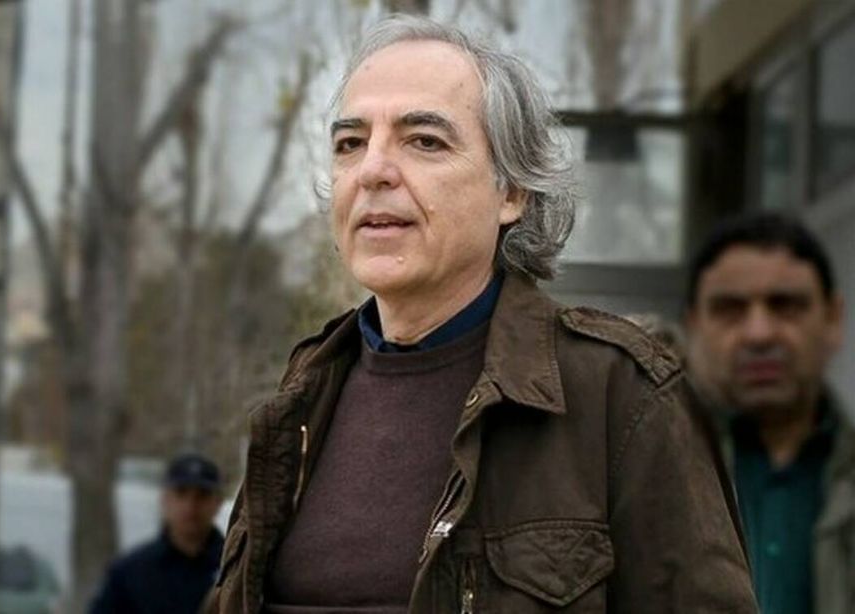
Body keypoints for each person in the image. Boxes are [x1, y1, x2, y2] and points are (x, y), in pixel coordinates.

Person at [207, 14, 756, 613]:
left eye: (425, 141)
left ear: (512, 192)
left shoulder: (622, 395)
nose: (373, 171)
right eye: (350, 143)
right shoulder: (298, 402)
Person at [685, 212, 851, 614]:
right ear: (694, 326)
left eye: (785, 306)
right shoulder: (649, 472)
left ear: (832, 318)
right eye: (730, 309)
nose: (759, 334)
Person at [90, 453, 224, 614]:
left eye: (202, 495)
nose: (190, 505)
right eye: (181, 493)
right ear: (164, 499)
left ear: (218, 502)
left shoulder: (234, 568)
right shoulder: (131, 572)